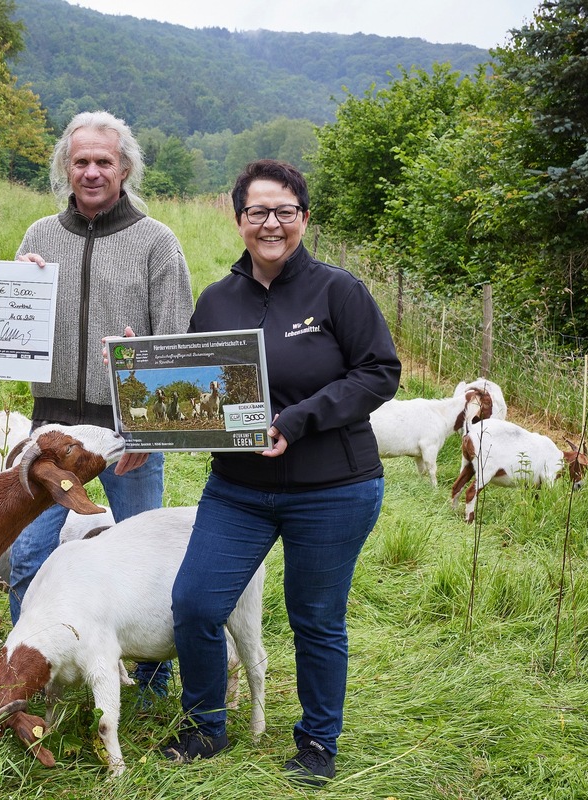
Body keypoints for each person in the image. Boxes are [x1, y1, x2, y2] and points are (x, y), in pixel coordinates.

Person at [164, 159, 400, 784]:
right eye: (257, 212)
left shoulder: (338, 291)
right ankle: (206, 723)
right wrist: (145, 368)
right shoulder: (217, 300)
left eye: (284, 211)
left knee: (314, 616)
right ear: (238, 217)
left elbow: (380, 372)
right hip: (239, 491)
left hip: (333, 489)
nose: (271, 223)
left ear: (302, 217)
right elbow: (194, 384)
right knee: (194, 602)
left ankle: (318, 742)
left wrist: (298, 419)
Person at [9, 111, 194, 696]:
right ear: (66, 165)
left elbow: (178, 345)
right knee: (30, 560)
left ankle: (152, 682)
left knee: (144, 563)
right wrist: (15, 287)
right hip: (54, 430)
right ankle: (31, 678)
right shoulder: (38, 236)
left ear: (125, 168)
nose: (92, 172)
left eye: (104, 161)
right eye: (81, 161)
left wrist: (151, 432)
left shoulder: (156, 241)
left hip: (128, 432)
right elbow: (10, 331)